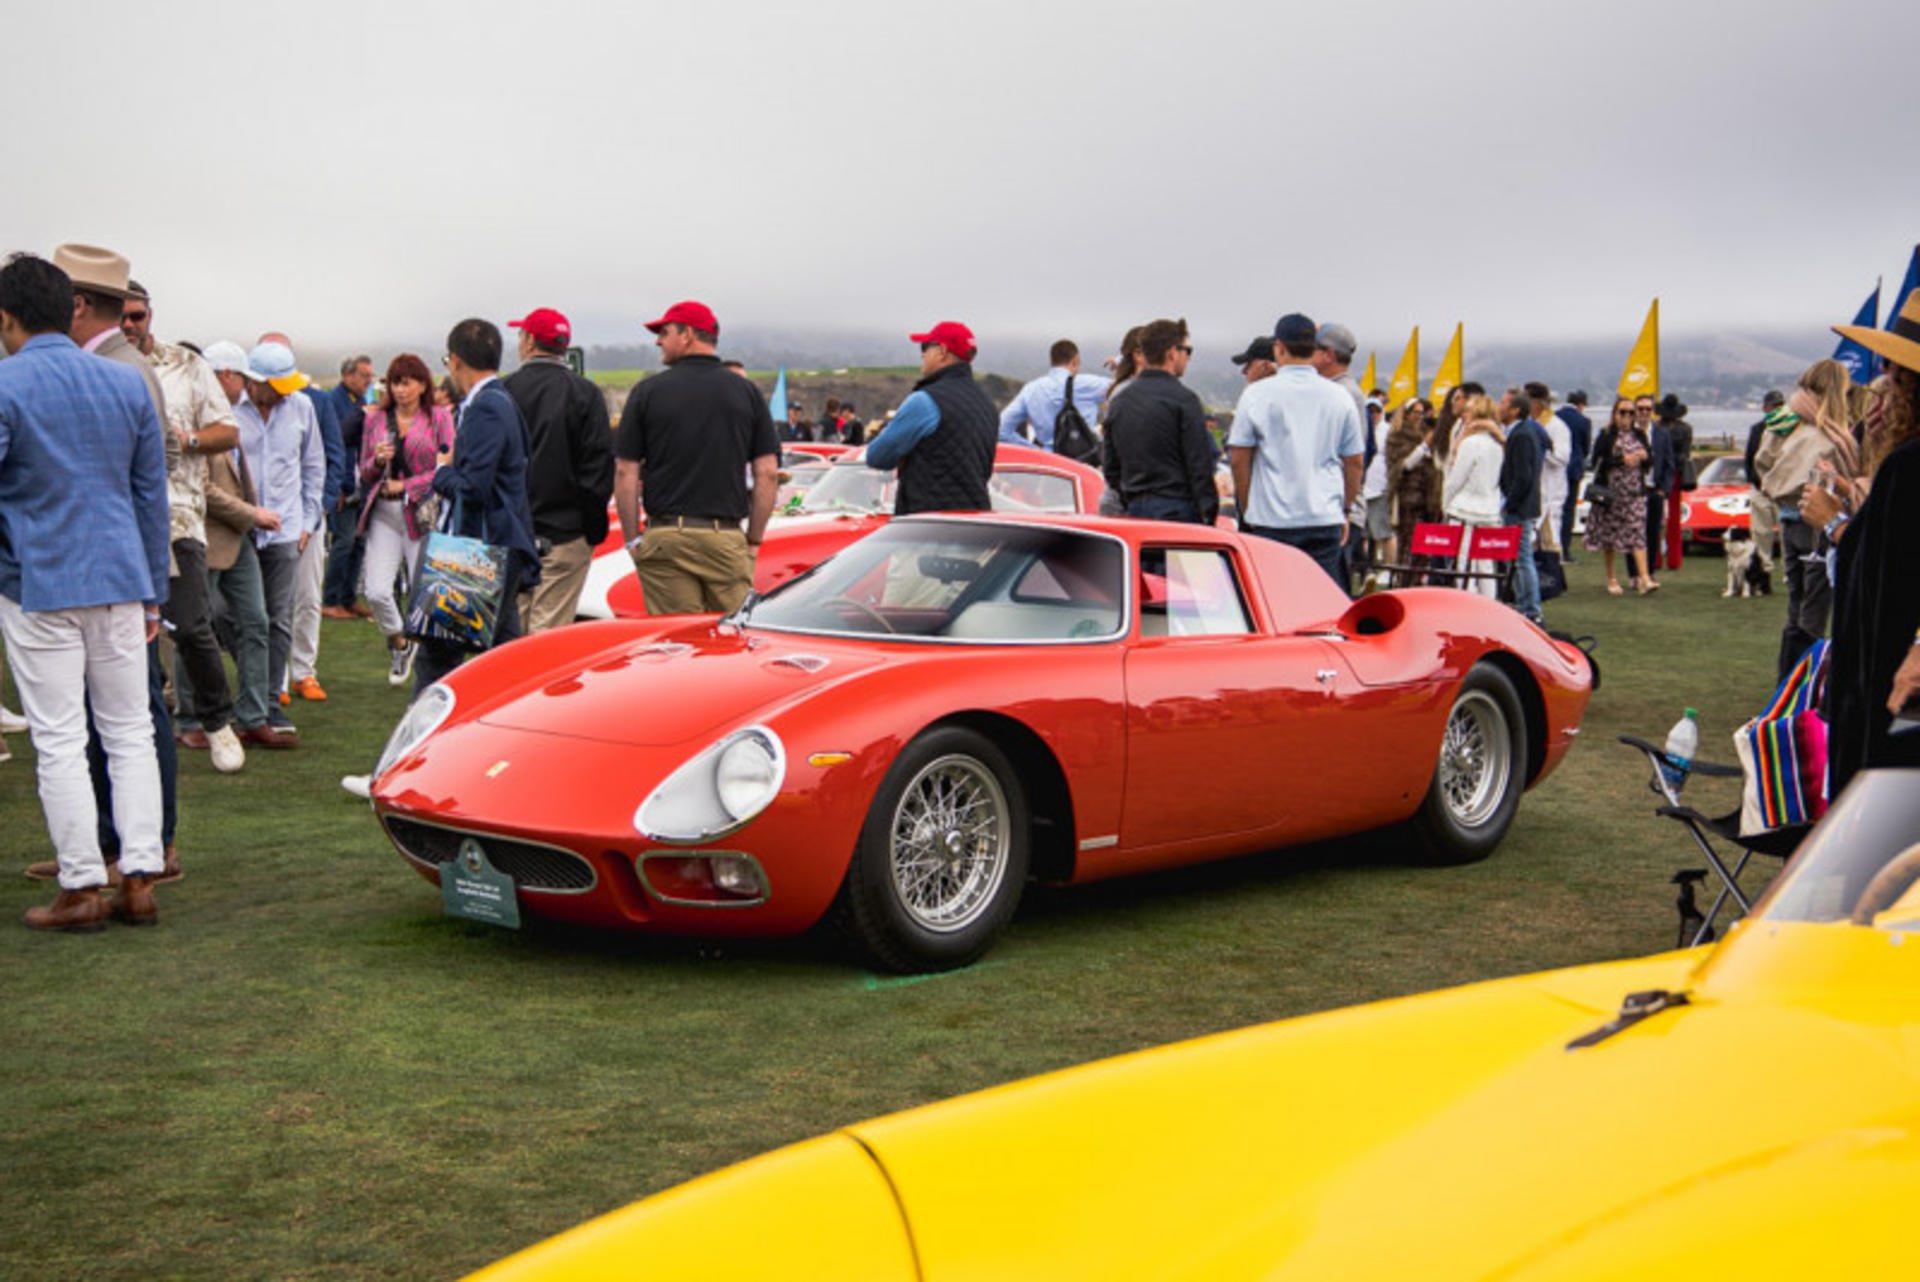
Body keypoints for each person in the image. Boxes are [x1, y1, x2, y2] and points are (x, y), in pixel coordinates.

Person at [0, 252, 170, 931]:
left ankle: (80, 885)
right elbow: (148, 494)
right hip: (123, 579)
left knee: (61, 737)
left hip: (39, 579)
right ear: (67, 306)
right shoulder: (124, 384)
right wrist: (154, 589)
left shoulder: (7, 383)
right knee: (129, 730)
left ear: (7, 318)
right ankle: (140, 876)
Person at [117, 281, 246, 774]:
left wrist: (186, 438)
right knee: (127, 633)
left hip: (178, 515)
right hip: (117, 517)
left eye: (137, 316)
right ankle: (143, 727)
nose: (130, 326)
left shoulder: (186, 366)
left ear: (150, 315)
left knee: (191, 623)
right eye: (122, 317)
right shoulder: (97, 365)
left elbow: (227, 430)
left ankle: (218, 723)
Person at [1813, 294, 1920, 794]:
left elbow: (1884, 569)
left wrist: (1835, 523)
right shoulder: (1899, 463)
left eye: (1891, 379)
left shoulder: (1910, 467)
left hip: (1890, 682)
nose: (1879, 396)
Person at [614, 302, 778, 614]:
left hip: (666, 536)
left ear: (687, 334)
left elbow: (625, 471)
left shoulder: (648, 392)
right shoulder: (747, 393)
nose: (658, 341)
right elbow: (767, 473)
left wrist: (632, 539)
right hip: (726, 538)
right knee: (732, 641)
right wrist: (754, 540)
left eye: (664, 332)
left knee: (676, 646)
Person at [414, 319, 542, 692]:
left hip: (476, 550)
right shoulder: (499, 401)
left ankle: (427, 740)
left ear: (454, 360)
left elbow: (474, 489)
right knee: (505, 658)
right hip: (497, 544)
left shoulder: (485, 406)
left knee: (437, 658)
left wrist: (441, 471)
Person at [187, 341, 287, 750]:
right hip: (208, 534)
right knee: (195, 628)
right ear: (226, 375)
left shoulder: (219, 415)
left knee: (255, 622)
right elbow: (203, 488)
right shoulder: (197, 418)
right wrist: (252, 514)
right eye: (242, 378)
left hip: (237, 535)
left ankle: (252, 716)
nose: (245, 386)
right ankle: (191, 717)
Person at [1228, 312, 1365, 589]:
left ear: (1279, 347)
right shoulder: (1339, 396)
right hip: (1323, 516)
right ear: (1314, 348)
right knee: (1323, 605)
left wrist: (1247, 506)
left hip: (1271, 518)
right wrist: (1346, 509)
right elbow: (1354, 462)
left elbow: (1239, 458)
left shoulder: (1256, 394)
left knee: (1274, 604)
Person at [233, 341, 325, 740]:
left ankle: (269, 702)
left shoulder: (302, 407)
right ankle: (245, 696)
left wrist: (308, 519)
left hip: (287, 530)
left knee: (278, 619)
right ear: (256, 383)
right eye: (279, 384)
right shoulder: (230, 409)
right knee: (231, 616)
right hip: (238, 528)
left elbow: (313, 464)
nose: (287, 391)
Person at [504, 307, 615, 632]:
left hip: (514, 532)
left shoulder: (505, 391)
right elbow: (598, 468)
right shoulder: (585, 392)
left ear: (529, 341)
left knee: (512, 636)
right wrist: (591, 528)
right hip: (566, 534)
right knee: (547, 633)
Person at [1754, 358, 1858, 681]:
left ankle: (1786, 682)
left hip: (1788, 520)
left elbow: (1762, 464)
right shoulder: (1833, 434)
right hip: (1818, 523)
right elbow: (1852, 478)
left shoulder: (1787, 425)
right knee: (1813, 610)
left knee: (1796, 606)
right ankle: (1800, 687)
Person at [357, 354, 455, 683]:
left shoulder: (439, 417)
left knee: (421, 593)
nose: (401, 389)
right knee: (376, 590)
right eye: (396, 382)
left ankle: (430, 667)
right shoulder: (376, 420)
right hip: (383, 511)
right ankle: (399, 641)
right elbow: (364, 471)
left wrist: (408, 485)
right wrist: (376, 459)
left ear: (423, 384)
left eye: (408, 382)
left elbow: (445, 469)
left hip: (421, 512)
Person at [258, 331, 341, 704]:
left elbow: (323, 462)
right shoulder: (239, 408)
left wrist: (312, 518)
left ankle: (304, 672)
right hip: (256, 526)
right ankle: (273, 681)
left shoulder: (311, 403)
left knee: (306, 599)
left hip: (303, 521)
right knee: (267, 608)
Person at [866, 321, 998, 516]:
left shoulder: (925, 401)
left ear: (942, 352)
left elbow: (877, 456)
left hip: (929, 523)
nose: (922, 354)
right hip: (975, 521)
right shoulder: (987, 404)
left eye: (926, 347)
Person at [1100, 318, 1216, 524]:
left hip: (1135, 509)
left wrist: (1128, 496)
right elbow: (1199, 465)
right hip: (1179, 510)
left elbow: (1110, 464)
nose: (1188, 358)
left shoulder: (1119, 401)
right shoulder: (1184, 400)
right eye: (1187, 351)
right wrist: (1208, 513)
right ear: (1172, 352)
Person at [321, 354, 375, 620]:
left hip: (359, 482)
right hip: (344, 484)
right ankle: (331, 600)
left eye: (370, 375)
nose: (369, 381)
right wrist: (338, 486)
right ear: (347, 375)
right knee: (343, 542)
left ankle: (348, 597)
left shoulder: (359, 401)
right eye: (364, 375)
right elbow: (335, 445)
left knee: (358, 542)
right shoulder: (334, 401)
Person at [1583, 398, 1654, 594]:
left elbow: (1650, 462)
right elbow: (1597, 461)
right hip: (1611, 494)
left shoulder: (1639, 434)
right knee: (1610, 537)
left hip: (1634, 492)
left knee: (1638, 532)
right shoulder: (1606, 435)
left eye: (1631, 413)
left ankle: (1645, 577)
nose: (1627, 417)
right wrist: (1621, 460)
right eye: (1623, 412)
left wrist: (1645, 457)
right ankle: (1612, 578)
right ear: (1614, 414)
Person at [1440, 395, 1506, 598]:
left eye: (1468, 411)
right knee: (1485, 564)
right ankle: (1489, 603)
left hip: (1465, 509)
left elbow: (1456, 478)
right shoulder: (1496, 446)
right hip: (1489, 509)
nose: (1464, 415)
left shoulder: (1471, 444)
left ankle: (1466, 600)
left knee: (1463, 561)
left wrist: (1445, 502)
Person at [997, 339, 1111, 449]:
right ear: (1075, 360)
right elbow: (1124, 390)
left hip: (1049, 464)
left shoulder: (1031, 389)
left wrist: (1032, 449)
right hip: (1083, 462)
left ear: (1051, 362)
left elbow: (1001, 429)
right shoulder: (1090, 384)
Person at [1497, 385, 1547, 622]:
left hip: (1519, 507)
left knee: (1521, 558)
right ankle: (1525, 604)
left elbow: (1524, 476)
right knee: (1516, 558)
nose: (1499, 407)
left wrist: (1509, 503)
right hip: (1519, 504)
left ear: (1516, 409)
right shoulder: (1518, 432)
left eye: (1504, 404)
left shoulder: (1522, 435)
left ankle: (1531, 608)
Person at [1744, 388, 1786, 571]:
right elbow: (1749, 459)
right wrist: (1757, 482)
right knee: (1760, 531)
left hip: (1783, 487)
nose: (1776, 409)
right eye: (1773, 406)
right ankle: (1763, 566)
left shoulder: (1790, 428)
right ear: (1765, 407)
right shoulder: (1756, 429)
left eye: (1780, 405)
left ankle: (1788, 567)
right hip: (1760, 487)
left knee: (1786, 531)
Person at [1632, 393, 1673, 578]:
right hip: (1632, 490)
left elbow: (1668, 463)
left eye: (1648, 409)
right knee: (1632, 533)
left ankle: (1649, 572)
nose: (1644, 412)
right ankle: (1634, 574)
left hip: (1654, 489)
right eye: (1640, 409)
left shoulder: (1661, 433)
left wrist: (1664, 489)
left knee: (1652, 532)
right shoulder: (1628, 433)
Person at [1529, 382, 1571, 555]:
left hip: (1551, 492)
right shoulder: (1529, 424)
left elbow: (1562, 457)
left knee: (1550, 544)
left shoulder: (1557, 426)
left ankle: (1553, 579)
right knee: (1530, 545)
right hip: (1533, 494)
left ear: (1537, 402)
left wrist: (1541, 450)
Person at [1656, 392, 1694, 572]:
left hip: (1660, 474)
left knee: (1657, 517)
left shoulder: (1656, 428)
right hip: (1675, 474)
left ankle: (1656, 559)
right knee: (1673, 518)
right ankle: (1673, 560)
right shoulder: (1686, 429)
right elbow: (1685, 454)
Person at [1555, 389, 1592, 559]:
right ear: (1581, 405)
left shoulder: (1555, 417)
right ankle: (1565, 549)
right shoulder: (1583, 421)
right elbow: (1586, 448)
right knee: (1569, 510)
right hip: (1573, 470)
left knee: (1553, 509)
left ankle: (1551, 546)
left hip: (1555, 468)